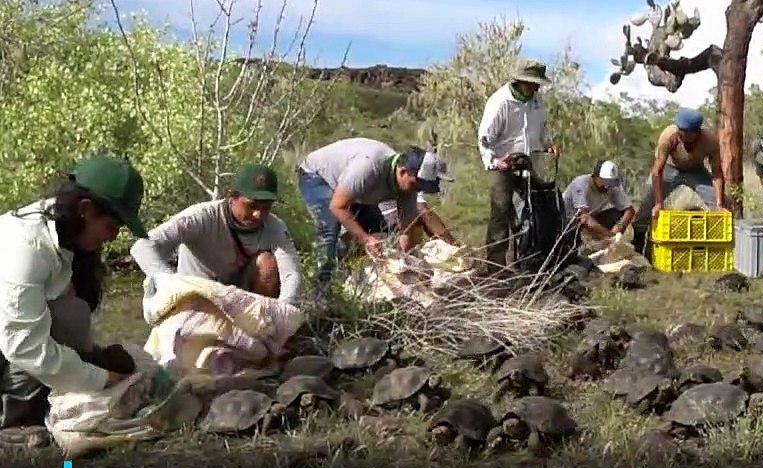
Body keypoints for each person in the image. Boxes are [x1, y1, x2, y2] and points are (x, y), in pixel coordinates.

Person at [0, 156, 149, 434]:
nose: (113, 237)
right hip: (12, 344)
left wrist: (91, 363)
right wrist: (99, 378)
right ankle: (16, 422)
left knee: (72, 314)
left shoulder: (64, 237)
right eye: (111, 227)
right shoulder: (28, 247)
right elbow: (23, 345)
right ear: (85, 209)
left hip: (16, 339)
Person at [296, 138, 456, 292]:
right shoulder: (368, 168)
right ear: (402, 171)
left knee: (377, 232)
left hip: (353, 188)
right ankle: (321, 292)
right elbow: (337, 206)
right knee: (330, 230)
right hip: (317, 176)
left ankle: (361, 284)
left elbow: (406, 229)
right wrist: (365, 239)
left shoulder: (409, 186)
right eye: (417, 184)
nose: (418, 190)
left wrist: (405, 262)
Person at [130, 163, 304, 304]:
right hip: (195, 296)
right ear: (232, 197)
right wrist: (174, 284)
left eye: (266, 208)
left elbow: (291, 274)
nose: (258, 214)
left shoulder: (274, 227)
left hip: (241, 300)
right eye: (251, 205)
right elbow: (142, 247)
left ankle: (260, 328)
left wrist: (284, 310)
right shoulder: (201, 217)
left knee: (267, 262)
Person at [477, 60, 559, 271]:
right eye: (533, 83)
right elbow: (485, 139)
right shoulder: (500, 102)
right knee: (501, 211)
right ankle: (495, 266)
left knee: (532, 208)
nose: (536, 87)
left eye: (538, 84)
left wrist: (549, 145)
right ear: (521, 81)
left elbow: (541, 130)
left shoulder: (537, 101)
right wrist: (495, 161)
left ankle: (526, 258)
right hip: (503, 162)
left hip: (529, 161)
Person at [632, 107, 727, 254]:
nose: (679, 132)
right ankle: (638, 244)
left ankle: (715, 249)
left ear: (695, 132)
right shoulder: (668, 136)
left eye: (683, 130)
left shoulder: (710, 141)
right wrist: (658, 202)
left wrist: (719, 202)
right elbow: (657, 171)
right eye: (679, 128)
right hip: (670, 169)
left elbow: (717, 173)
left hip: (696, 170)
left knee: (722, 207)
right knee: (648, 206)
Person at [562, 159, 635, 245]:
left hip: (592, 218)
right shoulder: (580, 184)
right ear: (596, 177)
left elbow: (629, 211)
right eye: (604, 182)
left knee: (619, 213)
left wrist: (618, 228)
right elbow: (584, 218)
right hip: (570, 223)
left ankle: (603, 241)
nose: (606, 186)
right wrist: (610, 237)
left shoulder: (612, 186)